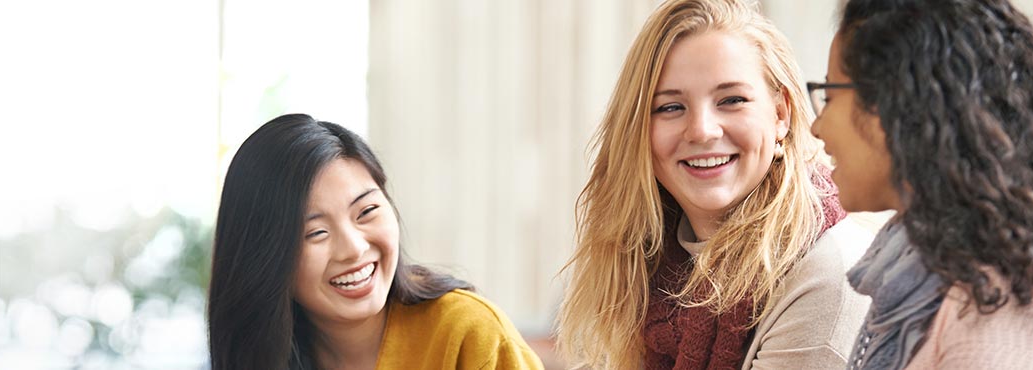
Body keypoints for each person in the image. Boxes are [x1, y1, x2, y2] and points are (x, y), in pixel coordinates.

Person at [556, 0, 875, 369]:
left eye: (732, 100)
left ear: (781, 115)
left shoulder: (828, 276)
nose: (703, 131)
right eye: (670, 107)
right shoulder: (647, 269)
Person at [811, 0, 1033, 368]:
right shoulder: (926, 264)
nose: (816, 126)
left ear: (896, 103)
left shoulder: (988, 324)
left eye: (830, 96)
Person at [207, 113, 543, 369]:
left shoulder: (467, 334)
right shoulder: (262, 356)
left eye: (366, 211)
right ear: (263, 258)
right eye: (315, 233)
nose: (353, 248)